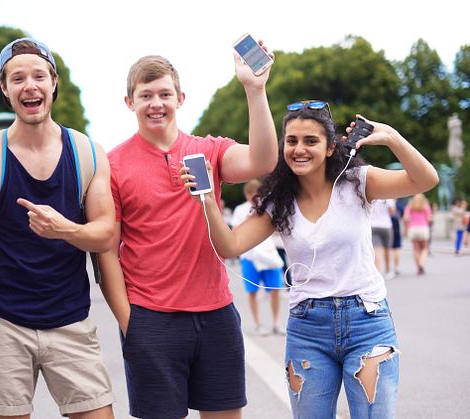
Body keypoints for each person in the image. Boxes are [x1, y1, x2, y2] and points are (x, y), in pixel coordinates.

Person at [182, 101, 438, 418]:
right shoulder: (279, 202)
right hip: (307, 328)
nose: (299, 149)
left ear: (331, 147)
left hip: (367, 322)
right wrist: (207, 201)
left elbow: (426, 181)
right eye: (291, 141)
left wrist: (393, 138)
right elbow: (231, 245)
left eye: (310, 141)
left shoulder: (358, 181)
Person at [99, 45, 278, 419]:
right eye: (145, 95)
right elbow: (106, 252)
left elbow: (263, 160)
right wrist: (128, 321)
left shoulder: (208, 151)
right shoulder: (112, 165)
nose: (156, 103)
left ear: (180, 98)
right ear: (129, 102)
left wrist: (255, 90)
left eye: (164, 94)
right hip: (151, 317)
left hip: (216, 313)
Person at [0, 38, 115, 418]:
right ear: (5, 88)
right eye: (18, 78)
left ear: (53, 82)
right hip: (2, 323)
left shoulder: (88, 153)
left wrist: (65, 230)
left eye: (39, 76)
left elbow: (106, 233)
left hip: (71, 320)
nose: (30, 85)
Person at [230, 179, 285, 336]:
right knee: (252, 291)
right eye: (251, 194)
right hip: (249, 256)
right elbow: (235, 230)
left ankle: (275, 322)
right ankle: (257, 323)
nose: (254, 197)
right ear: (247, 195)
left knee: (275, 288)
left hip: (268, 254)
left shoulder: (267, 206)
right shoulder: (241, 209)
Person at [404, 193, 433, 275]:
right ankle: (421, 263)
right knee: (424, 248)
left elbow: (406, 218)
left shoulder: (410, 205)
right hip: (423, 228)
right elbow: (429, 218)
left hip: (413, 228)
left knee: (416, 249)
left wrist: (407, 226)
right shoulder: (425, 205)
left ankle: (418, 268)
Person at [371, 198, 396, 278]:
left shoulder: (372, 195)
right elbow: (392, 211)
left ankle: (377, 272)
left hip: (373, 224)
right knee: (387, 249)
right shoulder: (388, 197)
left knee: (377, 250)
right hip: (386, 225)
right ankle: (388, 270)